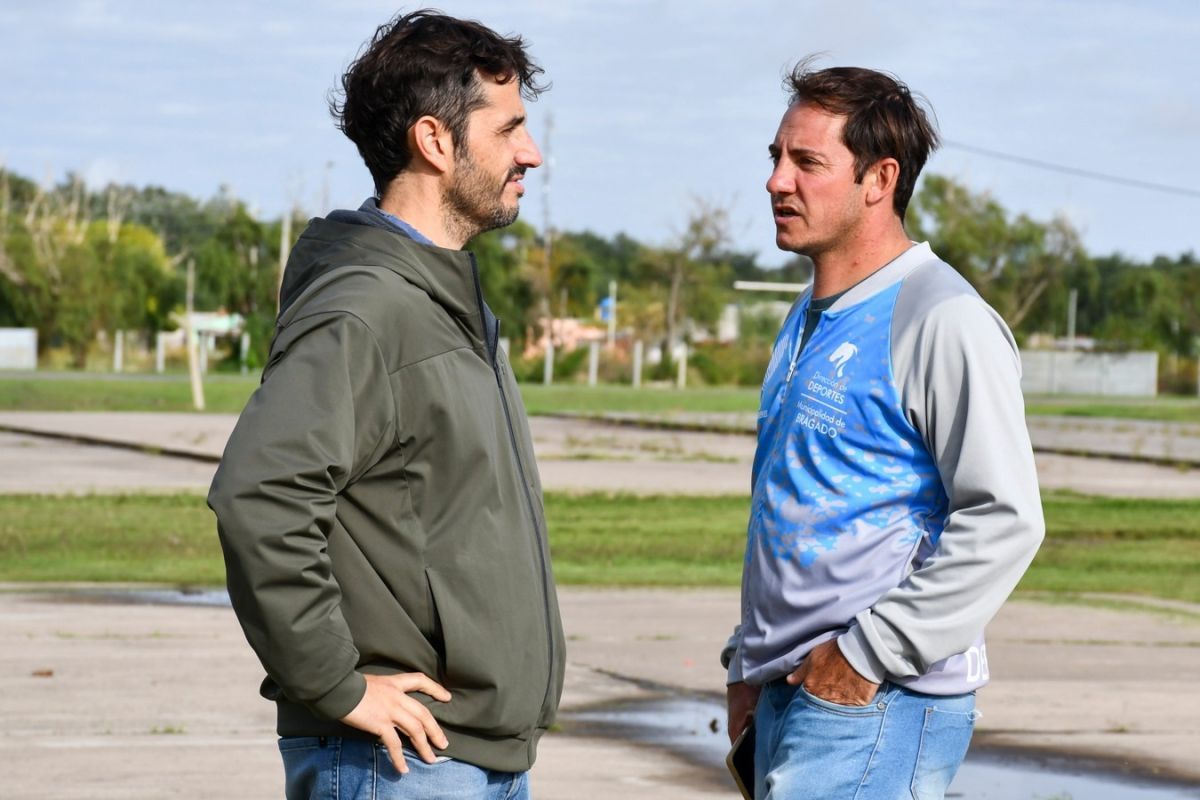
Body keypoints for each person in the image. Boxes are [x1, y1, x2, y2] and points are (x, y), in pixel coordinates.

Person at [207, 11, 564, 800]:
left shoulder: (446, 300)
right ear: (436, 142)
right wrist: (338, 687)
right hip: (400, 763)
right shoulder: (366, 308)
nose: (530, 154)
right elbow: (259, 496)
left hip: (470, 758)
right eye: (509, 131)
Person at [723, 58, 1045, 799]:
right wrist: (747, 665)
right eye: (776, 158)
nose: (777, 180)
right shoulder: (806, 318)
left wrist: (868, 655)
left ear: (879, 179)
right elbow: (796, 502)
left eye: (807, 162)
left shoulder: (940, 317)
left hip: (875, 699)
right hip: (793, 692)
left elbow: (1005, 519)